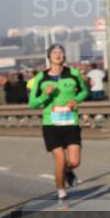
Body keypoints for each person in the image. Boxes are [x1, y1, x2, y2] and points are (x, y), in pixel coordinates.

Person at [28, 44, 89, 203]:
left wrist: (76, 100)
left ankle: (68, 170)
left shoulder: (73, 73)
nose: (58, 54)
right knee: (60, 158)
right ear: (49, 57)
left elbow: (84, 91)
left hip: (70, 122)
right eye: (54, 52)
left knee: (74, 161)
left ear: (64, 56)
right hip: (51, 124)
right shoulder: (41, 77)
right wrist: (44, 96)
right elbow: (32, 103)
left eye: (60, 52)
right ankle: (61, 191)